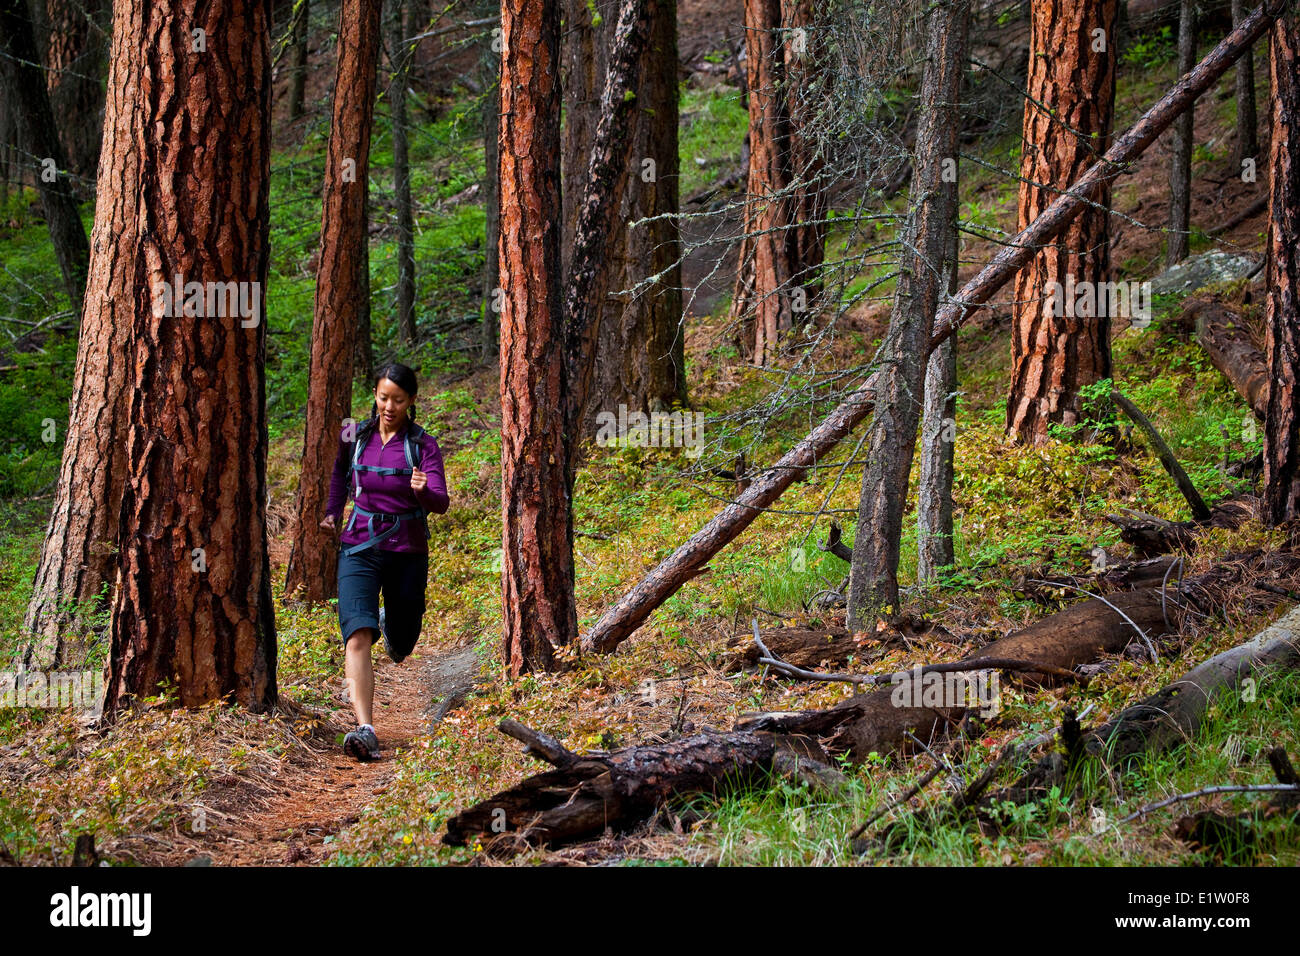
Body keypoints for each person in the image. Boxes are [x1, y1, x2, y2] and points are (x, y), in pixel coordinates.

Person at [321, 363, 449, 761]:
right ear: (374, 395)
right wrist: (332, 511)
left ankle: (390, 625)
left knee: (403, 640)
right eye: (382, 397)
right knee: (357, 635)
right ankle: (365, 727)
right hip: (359, 545)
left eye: (397, 399)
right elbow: (340, 470)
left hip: (406, 550)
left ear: (411, 401)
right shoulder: (354, 433)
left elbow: (441, 503)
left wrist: (424, 491)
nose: (388, 406)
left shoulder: (423, 445)